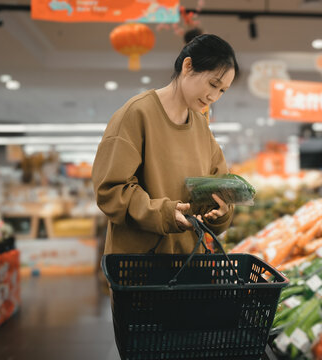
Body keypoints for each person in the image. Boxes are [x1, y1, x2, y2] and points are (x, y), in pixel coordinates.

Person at [92, 34, 239, 255]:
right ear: (188, 66)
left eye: (222, 91)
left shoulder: (201, 127)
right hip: (140, 268)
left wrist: (221, 210)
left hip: (188, 266)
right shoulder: (137, 114)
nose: (214, 97)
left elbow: (217, 185)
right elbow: (111, 191)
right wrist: (163, 214)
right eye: (213, 84)